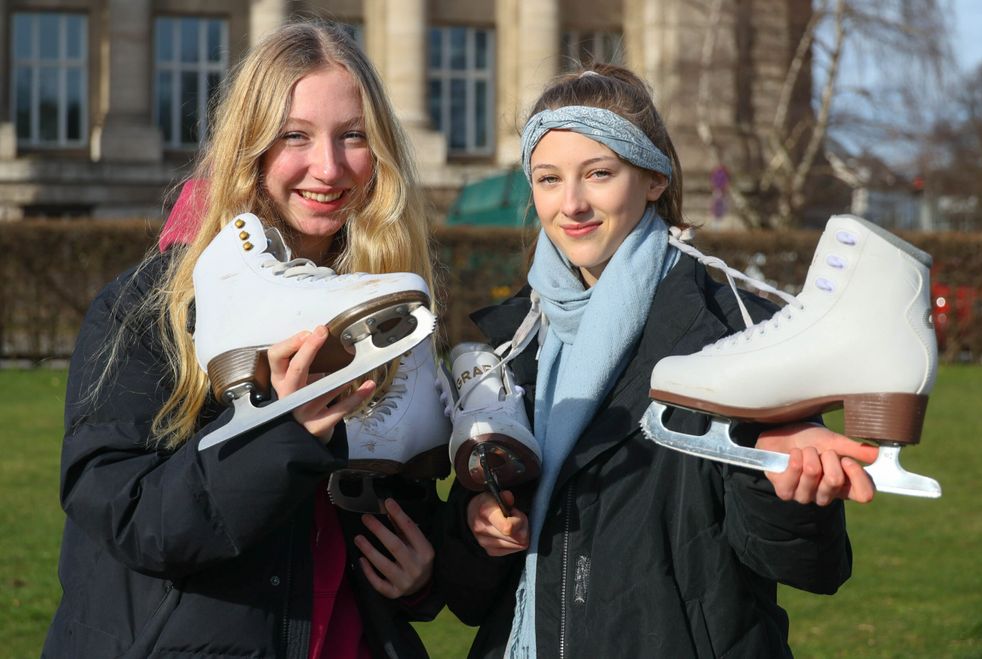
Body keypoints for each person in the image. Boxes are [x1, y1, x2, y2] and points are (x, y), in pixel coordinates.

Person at [436, 63, 879, 658]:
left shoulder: (734, 330)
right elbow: (468, 599)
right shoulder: (513, 343)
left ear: (652, 179)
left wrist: (782, 485)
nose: (571, 204)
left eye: (599, 173)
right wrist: (478, 532)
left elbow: (810, 564)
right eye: (548, 178)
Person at [43, 20, 445, 658]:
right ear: (249, 145)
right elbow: (132, 521)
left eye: (354, 138)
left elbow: (399, 507)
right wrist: (284, 433)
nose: (329, 167)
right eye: (295, 136)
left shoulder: (378, 308)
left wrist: (424, 576)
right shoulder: (146, 311)